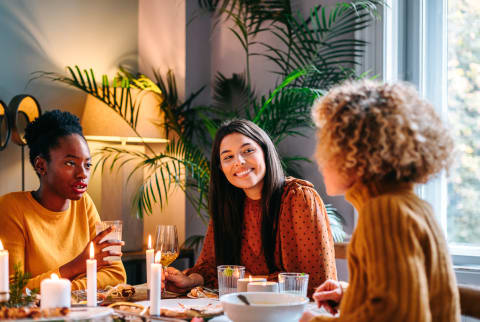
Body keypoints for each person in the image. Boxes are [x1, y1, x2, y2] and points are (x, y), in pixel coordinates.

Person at [301, 80, 460, 321]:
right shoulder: (412, 206)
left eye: (326, 141)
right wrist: (353, 295)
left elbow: (397, 314)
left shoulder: (384, 211)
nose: (318, 156)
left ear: (355, 151)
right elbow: (413, 292)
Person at [166, 119, 337, 297]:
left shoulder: (299, 197)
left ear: (265, 151)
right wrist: (190, 280)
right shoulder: (228, 206)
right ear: (221, 168)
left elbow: (315, 283)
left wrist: (242, 280)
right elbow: (211, 268)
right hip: (243, 310)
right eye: (228, 157)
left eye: (248, 151)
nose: (239, 162)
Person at [0, 110, 126, 290]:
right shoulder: (11, 208)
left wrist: (66, 290)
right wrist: (78, 266)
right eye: (70, 163)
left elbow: (115, 274)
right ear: (41, 165)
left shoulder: (84, 203)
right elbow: (13, 291)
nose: (83, 174)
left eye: (87, 165)